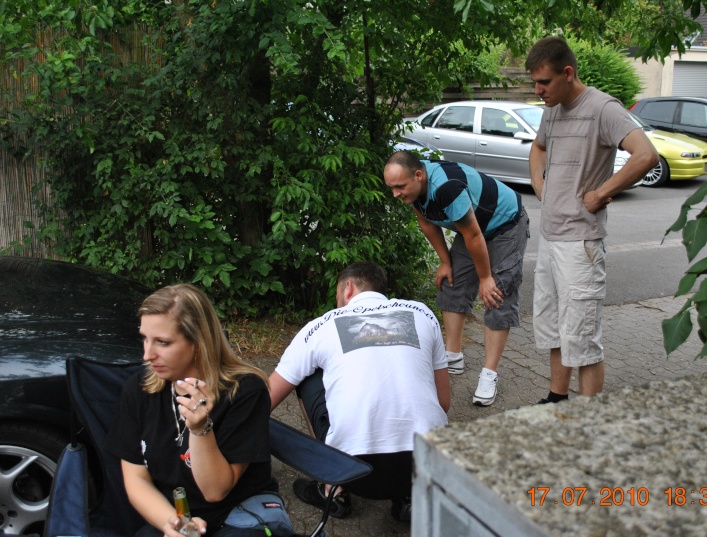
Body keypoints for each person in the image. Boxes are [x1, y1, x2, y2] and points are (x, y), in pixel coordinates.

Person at [526, 36, 658, 403]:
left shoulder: (603, 108)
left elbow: (646, 155)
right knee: (554, 328)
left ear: (568, 73)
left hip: (580, 244)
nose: (538, 91)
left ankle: (589, 417)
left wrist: (600, 194)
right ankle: (556, 398)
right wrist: (540, 183)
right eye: (535, 83)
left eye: (544, 83)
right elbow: (538, 147)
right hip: (550, 238)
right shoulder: (552, 110)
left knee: (582, 338)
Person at [268, 261, 449, 521]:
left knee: (307, 376)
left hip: (354, 473)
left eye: (337, 298)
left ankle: (333, 488)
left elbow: (266, 400)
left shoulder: (321, 326)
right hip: (427, 468)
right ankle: (409, 498)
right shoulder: (422, 313)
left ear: (348, 288)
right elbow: (443, 402)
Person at [107, 284, 277, 537]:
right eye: (144, 338)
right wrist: (175, 525)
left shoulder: (243, 391)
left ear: (198, 342)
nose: (147, 355)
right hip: (173, 514)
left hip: (237, 515)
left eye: (162, 343)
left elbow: (216, 491)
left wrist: (200, 429)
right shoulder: (140, 390)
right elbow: (136, 479)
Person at [383, 151, 529, 406]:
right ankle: (453, 356)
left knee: (496, 295)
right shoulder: (415, 188)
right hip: (473, 227)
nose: (396, 194)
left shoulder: (447, 187)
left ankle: (489, 374)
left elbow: (473, 236)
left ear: (418, 175)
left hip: (505, 225)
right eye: (391, 188)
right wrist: (445, 262)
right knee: (451, 284)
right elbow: (428, 223)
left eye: (399, 187)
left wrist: (485, 278)